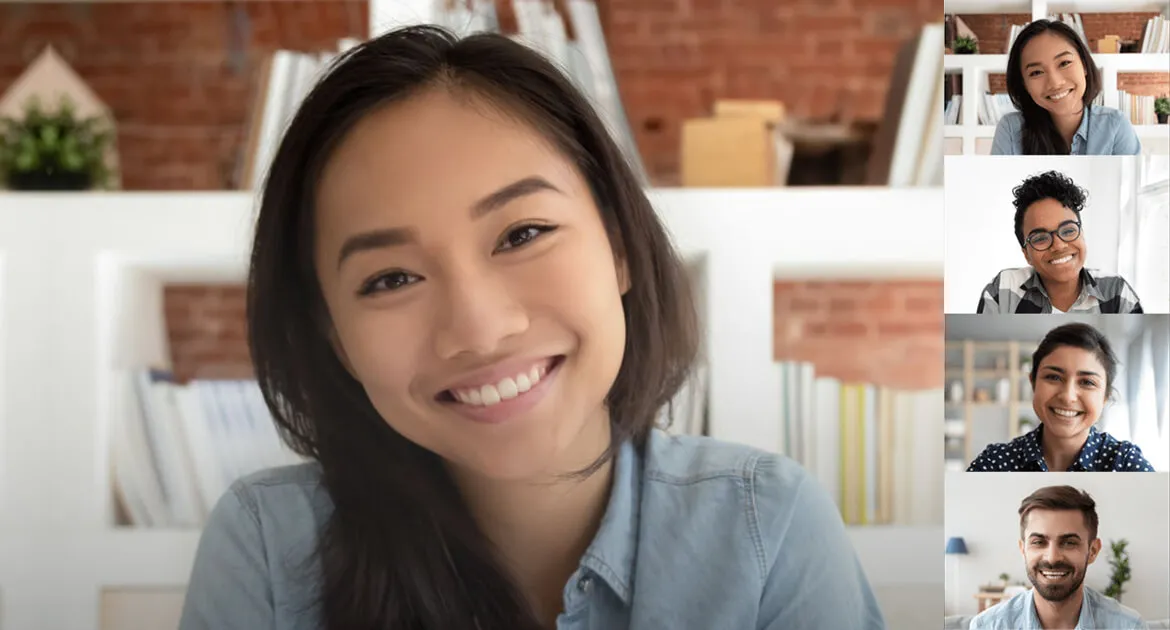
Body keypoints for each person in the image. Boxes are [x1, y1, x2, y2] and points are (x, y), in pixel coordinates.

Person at [177, 25, 885, 630]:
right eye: (389, 278)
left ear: (617, 247)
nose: (479, 330)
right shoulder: (269, 550)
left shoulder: (768, 528)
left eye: (522, 234)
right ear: (334, 335)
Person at [968, 322, 1155, 472]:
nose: (1067, 397)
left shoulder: (1124, 463)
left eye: (1087, 382)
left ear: (1105, 397)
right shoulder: (994, 463)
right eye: (1054, 377)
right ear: (1033, 383)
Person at [969, 486, 1148, 629]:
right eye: (1039, 542)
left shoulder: (1129, 625)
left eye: (1069, 542)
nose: (1052, 558)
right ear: (1023, 549)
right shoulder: (988, 626)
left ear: (1092, 551)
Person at [977, 170, 1144, 314]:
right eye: (1040, 238)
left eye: (1068, 230)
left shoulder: (1116, 291)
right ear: (1026, 254)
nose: (1058, 245)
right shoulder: (1003, 291)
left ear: (1082, 234)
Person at [991, 19, 1141, 156]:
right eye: (1036, 72)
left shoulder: (1115, 126)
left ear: (1084, 65)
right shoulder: (1011, 130)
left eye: (1064, 63)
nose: (1055, 83)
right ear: (1024, 84)